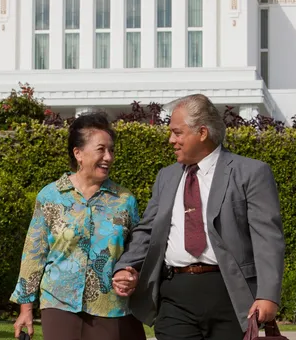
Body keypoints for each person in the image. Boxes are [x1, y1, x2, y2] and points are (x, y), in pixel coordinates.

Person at [112, 94, 285, 340]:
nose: (171, 140)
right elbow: (148, 230)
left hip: (231, 294)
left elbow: (268, 239)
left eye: (177, 132)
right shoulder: (166, 177)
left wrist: (267, 294)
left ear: (202, 132)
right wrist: (126, 266)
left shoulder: (251, 173)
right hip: (174, 296)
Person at [11, 112, 145, 340]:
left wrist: (132, 274)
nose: (109, 157)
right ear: (78, 153)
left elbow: (138, 250)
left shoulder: (124, 200)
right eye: (101, 149)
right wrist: (26, 308)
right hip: (58, 302)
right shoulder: (51, 196)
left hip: (109, 305)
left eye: (111, 150)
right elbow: (34, 252)